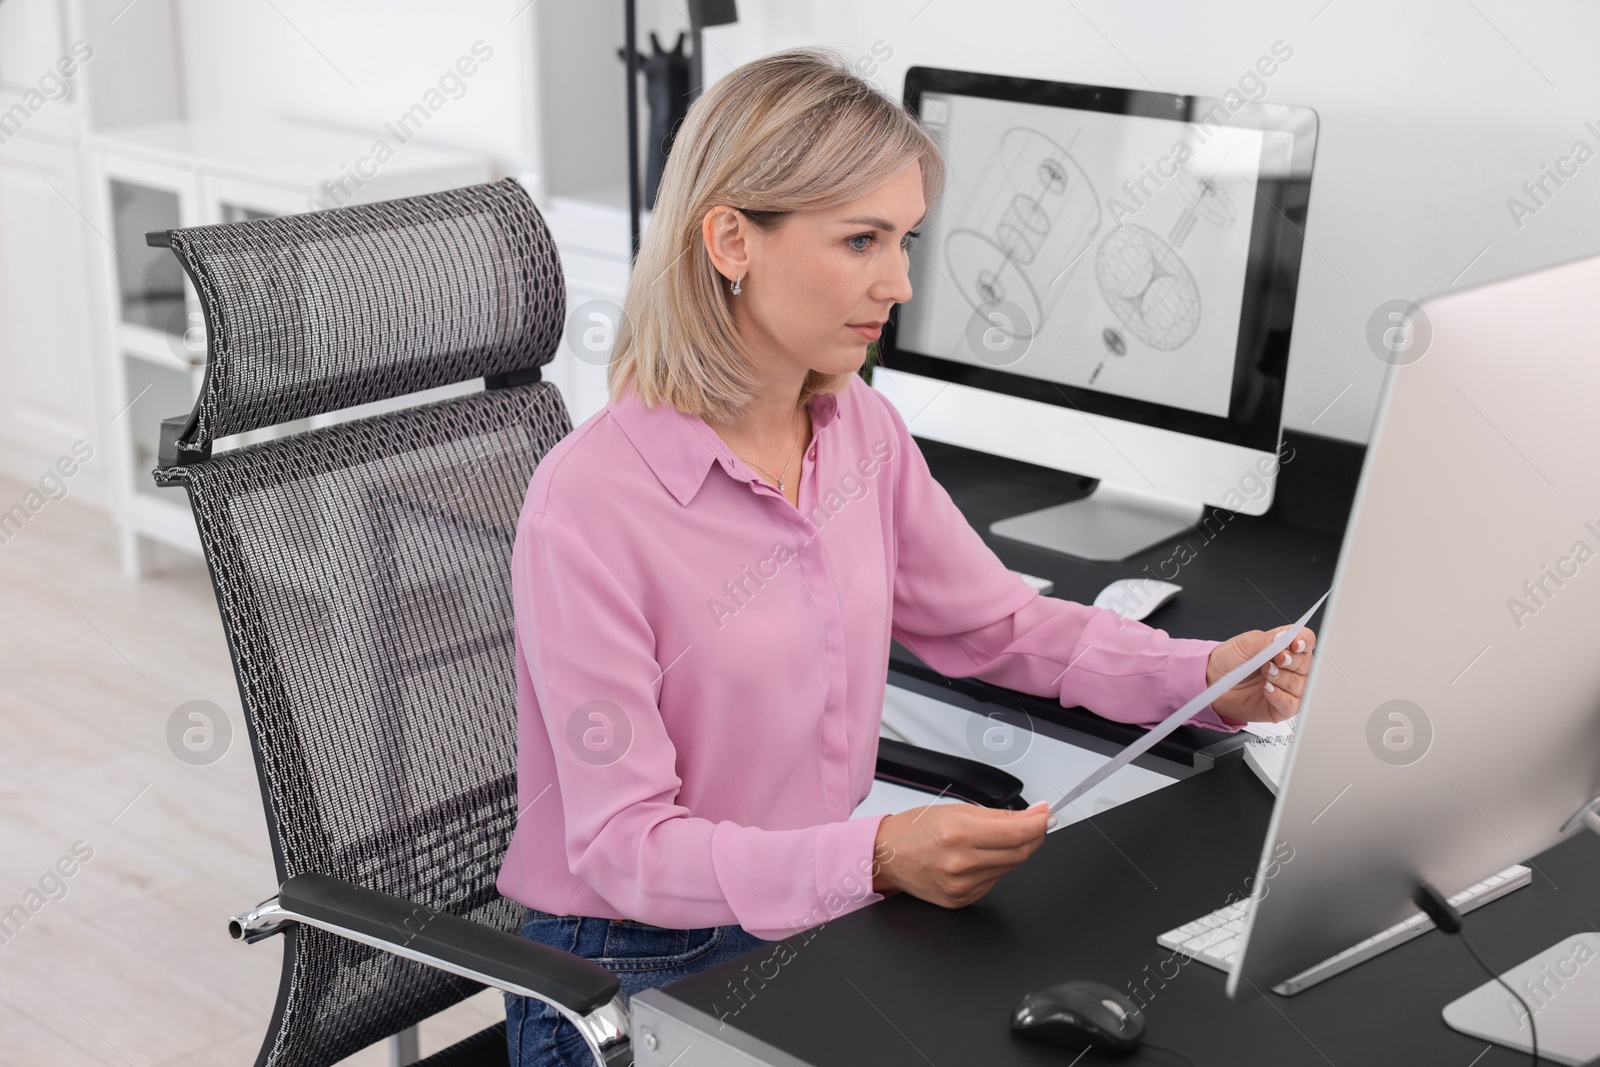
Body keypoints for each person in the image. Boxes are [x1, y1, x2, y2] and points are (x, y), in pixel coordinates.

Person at [496, 46, 1316, 1066]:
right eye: (860, 240)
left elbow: (996, 625)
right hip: (627, 971)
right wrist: (876, 853)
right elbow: (623, 852)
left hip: (804, 925)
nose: (900, 281)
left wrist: (1201, 677)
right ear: (731, 240)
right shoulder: (590, 505)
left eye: (906, 239)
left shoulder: (857, 432)